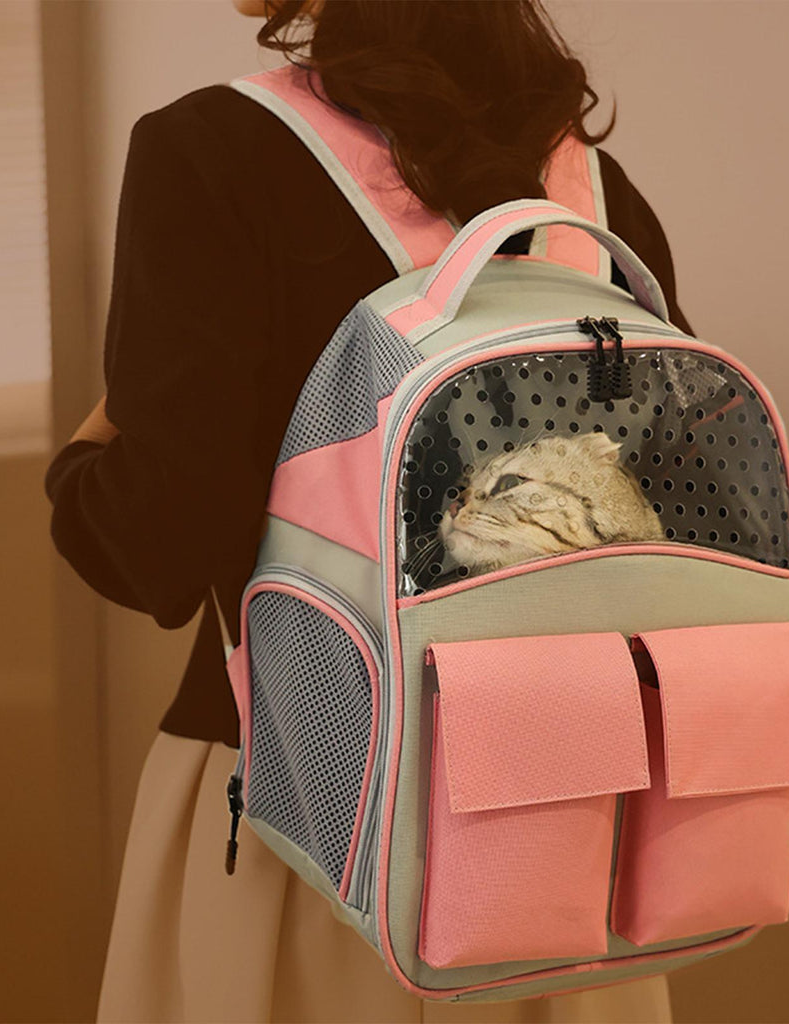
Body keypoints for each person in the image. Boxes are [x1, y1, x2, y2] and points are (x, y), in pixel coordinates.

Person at [45, 1, 694, 1020]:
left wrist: (83, 460)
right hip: (567, 839)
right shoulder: (592, 197)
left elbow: (154, 544)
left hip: (304, 825)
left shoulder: (211, 153)